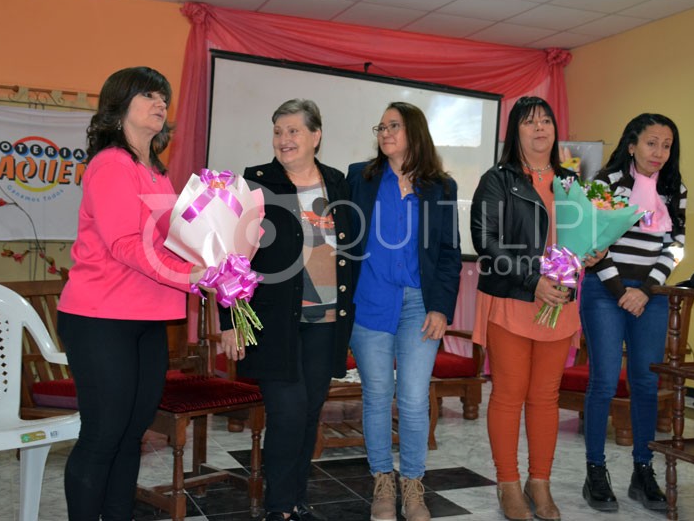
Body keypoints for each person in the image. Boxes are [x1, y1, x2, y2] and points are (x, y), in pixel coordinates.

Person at [57, 66, 206, 521]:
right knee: (103, 433)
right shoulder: (111, 164)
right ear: (119, 106)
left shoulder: (157, 174)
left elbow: (174, 243)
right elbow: (125, 245)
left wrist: (222, 250)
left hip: (146, 319)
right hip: (100, 319)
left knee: (131, 433)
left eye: (163, 96)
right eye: (148, 95)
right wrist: (191, 277)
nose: (161, 102)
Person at [218, 99, 354, 521]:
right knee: (287, 414)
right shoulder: (255, 182)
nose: (283, 139)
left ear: (316, 135)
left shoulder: (338, 183)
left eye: (293, 130)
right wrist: (230, 322)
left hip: (326, 322)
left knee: (310, 413)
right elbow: (230, 255)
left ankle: (297, 500)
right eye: (278, 131)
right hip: (275, 321)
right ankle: (279, 507)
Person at [470, 96, 603, 521]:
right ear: (516, 132)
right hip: (513, 297)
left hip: (559, 301)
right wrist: (533, 281)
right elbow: (486, 243)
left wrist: (591, 254)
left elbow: (583, 236)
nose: (540, 128)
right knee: (509, 395)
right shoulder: (497, 179)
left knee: (545, 397)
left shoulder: (572, 182)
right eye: (529, 122)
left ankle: (539, 482)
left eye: (546, 120)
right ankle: (508, 484)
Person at [347, 101, 462, 521]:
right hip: (370, 300)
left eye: (393, 125)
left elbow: (449, 253)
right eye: (381, 126)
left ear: (414, 132)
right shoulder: (360, 177)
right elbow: (342, 241)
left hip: (419, 304)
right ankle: (382, 481)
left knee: (413, 399)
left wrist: (441, 309)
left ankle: (413, 485)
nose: (384, 132)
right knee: (377, 396)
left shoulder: (441, 187)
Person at [580, 113, 686, 512]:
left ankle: (643, 472)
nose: (659, 152)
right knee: (604, 381)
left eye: (667, 145)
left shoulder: (676, 189)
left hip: (651, 295)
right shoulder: (605, 185)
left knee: (644, 384)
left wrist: (645, 290)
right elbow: (593, 246)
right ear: (631, 145)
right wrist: (623, 291)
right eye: (651, 143)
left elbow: (675, 246)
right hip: (605, 292)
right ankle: (596, 473)